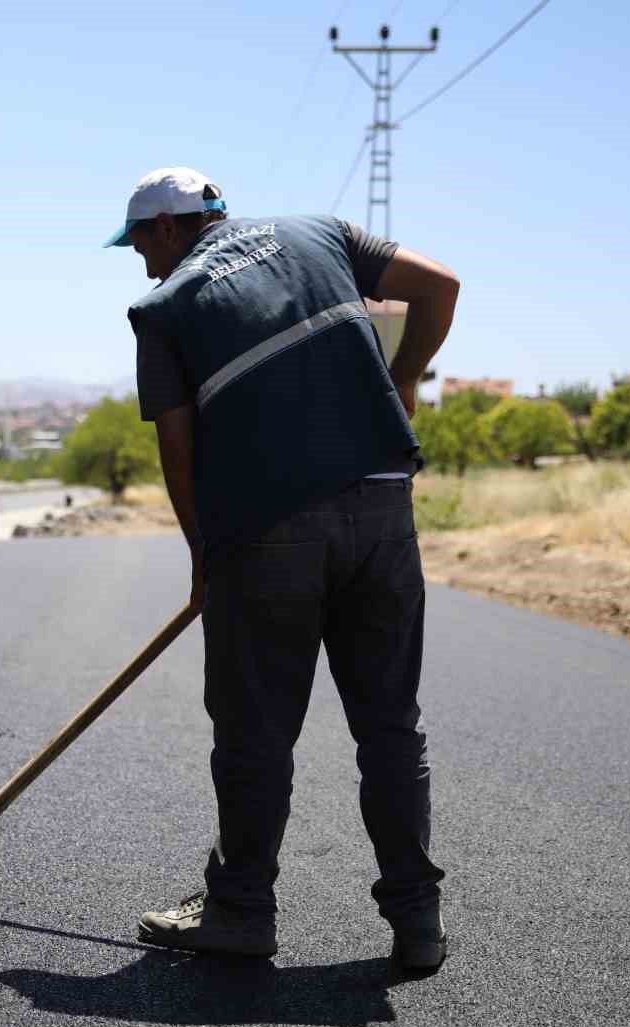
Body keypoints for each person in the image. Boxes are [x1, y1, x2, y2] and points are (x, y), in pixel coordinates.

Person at [105, 166, 459, 971]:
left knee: (255, 732)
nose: (141, 262)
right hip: (381, 509)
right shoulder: (320, 231)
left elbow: (177, 444)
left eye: (138, 243)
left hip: (268, 530)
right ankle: (417, 923)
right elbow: (440, 285)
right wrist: (402, 378)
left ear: (167, 227)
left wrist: (205, 558)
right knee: (390, 725)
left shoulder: (163, 308)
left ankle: (239, 912)